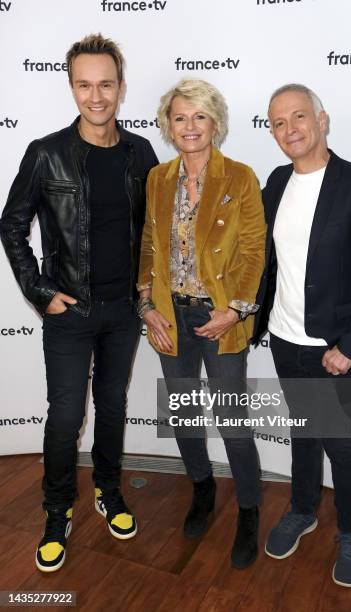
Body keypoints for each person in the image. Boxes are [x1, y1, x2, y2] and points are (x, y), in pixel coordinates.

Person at [0, 33, 158, 572]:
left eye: (106, 84)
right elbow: (12, 225)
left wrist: (147, 292)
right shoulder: (45, 153)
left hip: (122, 313)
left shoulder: (141, 153)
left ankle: (108, 491)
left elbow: (155, 230)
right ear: (71, 87)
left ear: (120, 86)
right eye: (85, 85)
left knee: (112, 407)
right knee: (66, 416)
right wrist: (41, 294)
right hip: (70, 313)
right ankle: (55, 510)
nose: (97, 96)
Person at [253, 84, 351, 587]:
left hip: (336, 349)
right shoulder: (275, 182)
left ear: (322, 119)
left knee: (340, 444)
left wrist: (350, 348)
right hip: (285, 340)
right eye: (278, 122)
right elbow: (266, 261)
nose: (289, 130)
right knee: (303, 433)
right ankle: (303, 509)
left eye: (299, 117)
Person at [137, 79, 266, 569]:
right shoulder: (157, 178)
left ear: (215, 123)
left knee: (233, 422)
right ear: (168, 125)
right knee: (186, 418)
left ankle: (250, 512)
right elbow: (149, 244)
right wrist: (146, 306)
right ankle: (202, 490)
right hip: (171, 317)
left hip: (221, 318)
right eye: (180, 117)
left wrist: (234, 310)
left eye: (199, 116)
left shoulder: (240, 177)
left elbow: (255, 251)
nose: (189, 126)